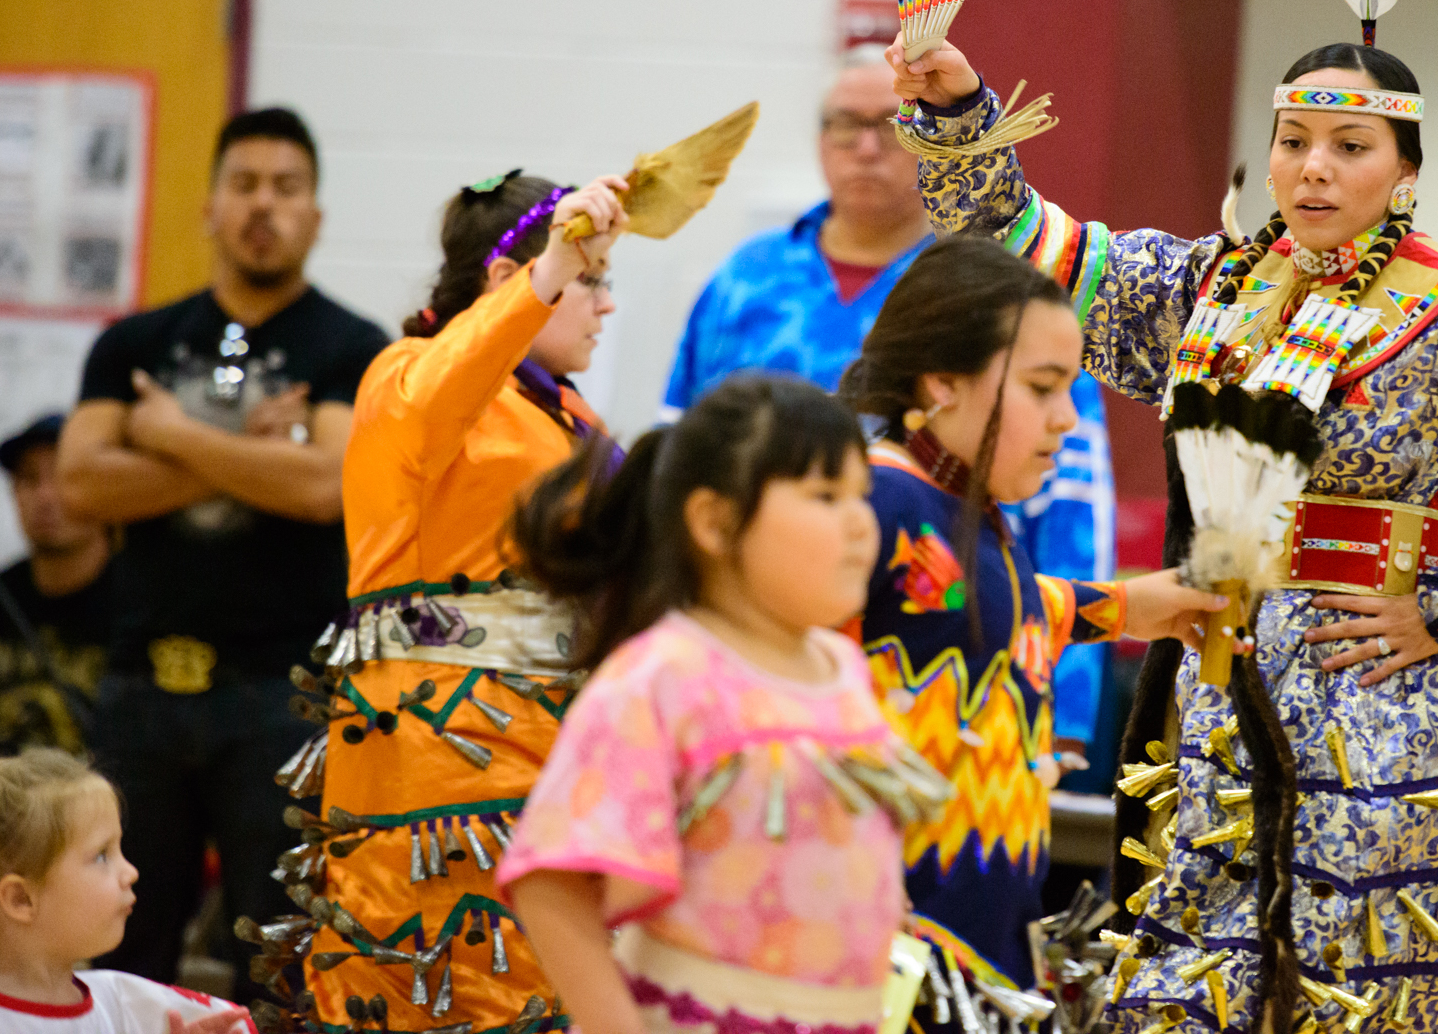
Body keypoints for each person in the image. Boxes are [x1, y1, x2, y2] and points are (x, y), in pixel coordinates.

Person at [887, 37, 1438, 1032]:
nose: (1313, 166)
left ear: (1404, 171)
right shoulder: (1204, 291)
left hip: (1376, 719)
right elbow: (1023, 255)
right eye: (1293, 139)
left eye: (1349, 145)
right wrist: (960, 113)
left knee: (1357, 1001)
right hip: (1213, 703)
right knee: (1179, 998)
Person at [664, 44, 1121, 761]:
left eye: (891, 124)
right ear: (820, 140)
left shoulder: (996, 293)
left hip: (973, 649)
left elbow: (1072, 500)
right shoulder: (743, 282)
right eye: (847, 125)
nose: (868, 147)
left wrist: (1068, 708)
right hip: (749, 641)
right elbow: (676, 459)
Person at [275, 169, 630, 1034]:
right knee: (444, 993)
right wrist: (549, 273)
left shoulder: (570, 416)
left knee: (550, 997)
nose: (604, 305)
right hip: (434, 758)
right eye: (592, 280)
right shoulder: (406, 378)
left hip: (554, 749)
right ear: (509, 280)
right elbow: (446, 387)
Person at [836, 236, 1225, 1022]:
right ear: (942, 381)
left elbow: (988, 608)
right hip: (875, 960)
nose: (1065, 421)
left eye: (1070, 390)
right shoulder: (869, 507)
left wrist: (1126, 605)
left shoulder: (971, 518)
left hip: (976, 960)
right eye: (1043, 388)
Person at [57, 106, 389, 1000]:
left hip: (281, 700)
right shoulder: (133, 342)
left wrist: (169, 435)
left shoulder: (355, 349)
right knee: (118, 949)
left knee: (279, 959)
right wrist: (250, 452)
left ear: (316, 213)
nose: (263, 206)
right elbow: (81, 485)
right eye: (244, 185)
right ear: (208, 205)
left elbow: (325, 486)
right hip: (139, 695)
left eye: (286, 188)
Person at [499, 374, 941, 1034]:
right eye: (824, 494)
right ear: (714, 520)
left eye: (862, 495)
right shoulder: (664, 674)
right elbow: (551, 883)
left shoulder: (842, 666)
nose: (860, 522)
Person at [0, 749, 250, 1033]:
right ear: (21, 899)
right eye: (101, 855)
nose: (131, 872)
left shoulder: (129, 1007)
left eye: (119, 849)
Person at [0, 417, 118, 759]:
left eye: (63, 476)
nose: (46, 496)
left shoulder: (145, 605)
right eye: (29, 480)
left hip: (106, 805)